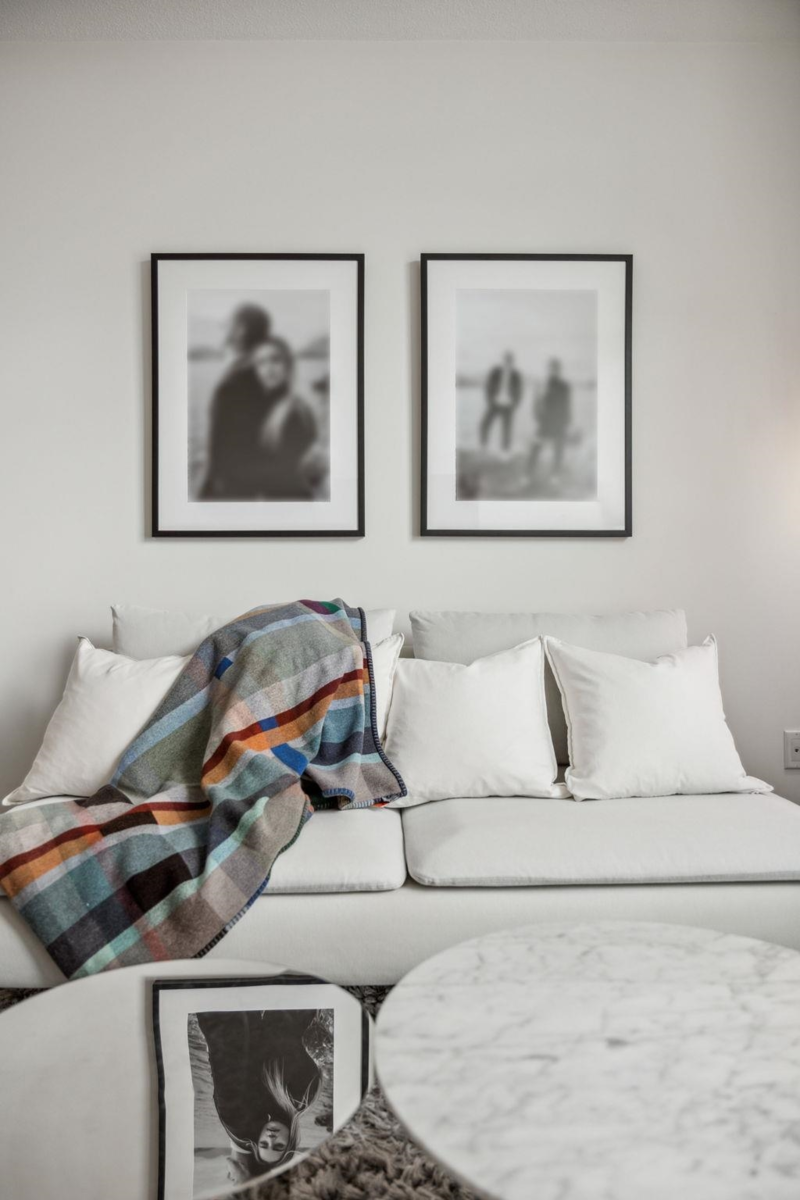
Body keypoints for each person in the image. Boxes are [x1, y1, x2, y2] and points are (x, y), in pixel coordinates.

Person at [197, 1009, 323, 1184]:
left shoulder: (271, 1104)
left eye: (263, 1144)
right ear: (290, 1141)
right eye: (278, 1146)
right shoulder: (301, 1096)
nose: (271, 1138)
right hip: (292, 1008)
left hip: (264, 1013)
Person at [200, 304, 272, 499]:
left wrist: (207, 488)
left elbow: (220, 443)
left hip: (230, 487)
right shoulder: (267, 374)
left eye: (227, 325)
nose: (224, 330)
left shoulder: (237, 379)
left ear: (241, 330)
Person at [251, 337, 320, 500]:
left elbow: (307, 474)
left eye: (275, 360)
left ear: (289, 365)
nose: (268, 368)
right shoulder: (267, 409)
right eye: (260, 363)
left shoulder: (297, 411)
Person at [529, 357, 573, 481]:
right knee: (535, 448)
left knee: (558, 450)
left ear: (559, 370)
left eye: (556, 369)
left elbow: (567, 406)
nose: (553, 371)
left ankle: (555, 475)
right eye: (551, 368)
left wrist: (567, 423)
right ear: (548, 370)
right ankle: (527, 474)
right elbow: (535, 404)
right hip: (543, 424)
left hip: (559, 424)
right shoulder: (541, 384)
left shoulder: (565, 386)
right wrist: (538, 419)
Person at [479, 351, 523, 455]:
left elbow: (520, 392)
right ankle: (483, 446)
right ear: (503, 360)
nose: (508, 362)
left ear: (512, 362)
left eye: (510, 361)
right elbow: (488, 386)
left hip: (508, 405)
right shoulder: (495, 372)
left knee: (507, 430)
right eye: (506, 360)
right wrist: (490, 401)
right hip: (495, 403)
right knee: (484, 424)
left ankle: (505, 452)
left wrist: (515, 405)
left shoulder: (516, 375)